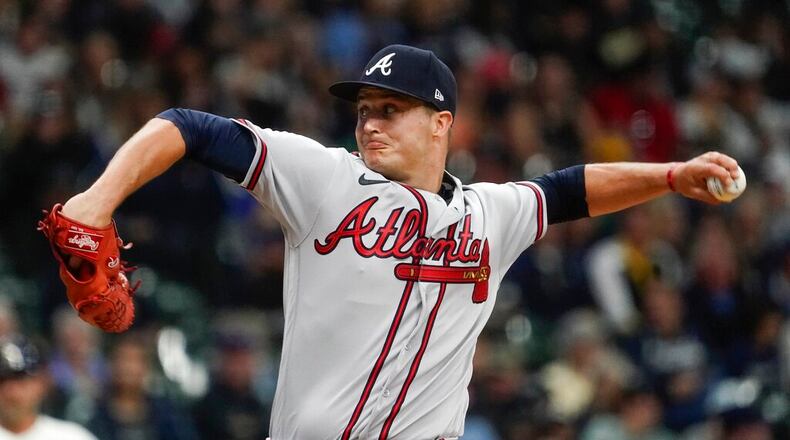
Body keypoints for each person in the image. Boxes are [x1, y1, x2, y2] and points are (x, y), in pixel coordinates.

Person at [57, 44, 743, 439]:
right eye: (363, 111)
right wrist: (95, 203)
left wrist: (671, 174)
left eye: (391, 109)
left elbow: (569, 190)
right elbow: (190, 127)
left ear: (441, 123)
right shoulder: (327, 179)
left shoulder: (489, 214)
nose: (370, 124)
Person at [0, 334, 97, 440]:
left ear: (41, 383)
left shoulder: (72, 436)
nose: (12, 392)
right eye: (2, 382)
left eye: (21, 381)